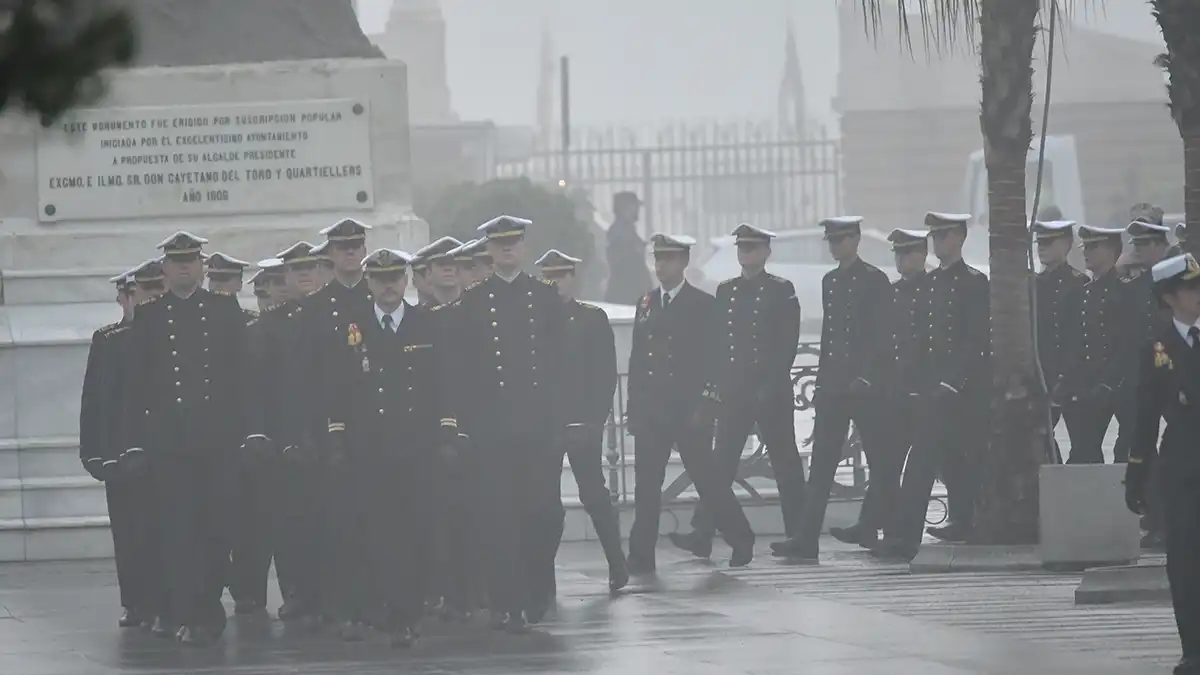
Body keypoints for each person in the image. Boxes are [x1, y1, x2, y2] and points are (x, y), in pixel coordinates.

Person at [119, 232, 256, 646]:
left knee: (217, 529)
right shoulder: (149, 316)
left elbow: (242, 377)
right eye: (176, 260)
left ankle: (209, 607)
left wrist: (247, 430)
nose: (183, 267)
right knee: (178, 531)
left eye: (191, 260)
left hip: (217, 440)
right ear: (164, 268)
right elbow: (137, 384)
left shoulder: (224, 310)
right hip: (170, 441)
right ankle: (187, 610)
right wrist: (135, 441)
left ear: (202, 267)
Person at [440, 215, 570, 633]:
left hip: (538, 426)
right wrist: (464, 424)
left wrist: (562, 418)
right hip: (492, 428)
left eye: (514, 242)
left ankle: (535, 588)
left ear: (524, 248)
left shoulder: (545, 297)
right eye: (499, 244)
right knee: (498, 518)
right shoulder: (475, 301)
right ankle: (505, 600)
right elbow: (461, 369)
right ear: (490, 252)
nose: (507, 249)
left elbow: (560, 363)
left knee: (544, 515)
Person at [323, 248, 458, 646]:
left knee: (415, 529)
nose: (388, 285)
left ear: (406, 281)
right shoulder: (352, 327)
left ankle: (408, 611)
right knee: (371, 530)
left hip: (415, 446)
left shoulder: (425, 325)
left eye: (395, 278)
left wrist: (447, 431)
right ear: (369, 282)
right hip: (368, 446)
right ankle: (375, 607)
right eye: (380, 278)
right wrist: (336, 435)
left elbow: (442, 384)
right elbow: (337, 387)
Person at [667, 224, 805, 559]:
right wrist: (715, 385)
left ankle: (801, 535)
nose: (747, 254)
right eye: (742, 249)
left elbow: (786, 345)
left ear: (766, 252)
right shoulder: (727, 291)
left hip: (769, 390)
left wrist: (769, 386)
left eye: (753, 248)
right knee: (720, 464)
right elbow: (718, 343)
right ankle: (703, 532)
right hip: (735, 390)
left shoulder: (781, 290)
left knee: (785, 463)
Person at [625, 233, 755, 574]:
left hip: (689, 412)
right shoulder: (646, 303)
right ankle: (640, 557)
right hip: (653, 412)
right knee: (646, 488)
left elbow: (716, 360)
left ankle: (741, 538)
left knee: (708, 481)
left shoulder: (702, 305)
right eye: (658, 258)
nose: (661, 265)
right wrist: (634, 409)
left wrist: (708, 404)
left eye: (669, 258)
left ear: (684, 262)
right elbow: (638, 360)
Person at [770, 217, 891, 560]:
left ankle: (884, 529)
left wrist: (867, 376)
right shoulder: (831, 281)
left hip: (864, 388)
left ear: (856, 240)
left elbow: (881, 335)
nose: (835, 247)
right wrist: (823, 382)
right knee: (822, 468)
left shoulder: (875, 280)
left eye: (840, 240)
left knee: (881, 464)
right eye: (831, 242)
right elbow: (830, 338)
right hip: (834, 387)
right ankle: (806, 539)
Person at [871, 213, 989, 561]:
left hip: (960, 389)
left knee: (963, 461)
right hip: (928, 388)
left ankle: (964, 522)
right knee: (923, 465)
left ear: (960, 238)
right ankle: (904, 539)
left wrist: (954, 380)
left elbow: (975, 337)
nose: (938, 242)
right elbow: (920, 337)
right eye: (935, 236)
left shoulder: (974, 282)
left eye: (944, 235)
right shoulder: (930, 283)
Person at [1123, 253, 1200, 675]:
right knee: (1187, 561)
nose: (1199, 297)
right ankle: (1194, 648)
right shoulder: (1157, 345)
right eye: (1191, 290)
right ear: (1170, 298)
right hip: (1184, 467)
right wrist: (1137, 473)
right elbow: (1146, 413)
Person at [535, 249, 629, 593]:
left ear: (573, 278)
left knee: (595, 496)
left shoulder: (591, 318)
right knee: (546, 502)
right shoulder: (533, 322)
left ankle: (617, 563)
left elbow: (604, 377)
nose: (555, 282)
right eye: (549, 276)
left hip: (581, 425)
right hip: (545, 426)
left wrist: (593, 422)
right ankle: (542, 572)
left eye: (561, 275)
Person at [837, 228, 928, 549]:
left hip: (926, 391)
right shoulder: (891, 293)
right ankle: (878, 528)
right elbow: (883, 342)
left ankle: (899, 533)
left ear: (923, 255)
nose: (903, 259)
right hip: (894, 391)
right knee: (886, 465)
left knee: (926, 470)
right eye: (899, 254)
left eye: (909, 253)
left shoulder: (933, 290)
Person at [80, 272, 140, 627]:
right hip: (118, 451)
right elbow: (94, 400)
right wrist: (92, 450)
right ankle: (133, 600)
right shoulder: (107, 339)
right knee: (128, 531)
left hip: (158, 450)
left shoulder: (163, 337)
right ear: (121, 297)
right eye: (130, 293)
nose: (135, 300)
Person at [1054, 225, 1137, 465]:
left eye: (1093, 247)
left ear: (1111, 250)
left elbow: (1128, 344)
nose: (1086, 252)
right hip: (1086, 387)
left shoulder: (1126, 293)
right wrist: (1068, 380)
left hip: (1117, 386)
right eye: (1084, 247)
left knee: (1128, 452)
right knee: (1083, 453)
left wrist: (1110, 382)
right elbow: (1074, 344)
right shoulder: (1081, 294)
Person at [1032, 220, 1088, 462]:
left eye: (1048, 242)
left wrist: (1069, 375)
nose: (1041, 248)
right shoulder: (1033, 285)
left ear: (1066, 245)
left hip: (1074, 377)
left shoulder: (1080, 284)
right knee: (1039, 438)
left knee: (1084, 445)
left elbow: (1082, 336)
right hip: (1042, 375)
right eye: (1039, 243)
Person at [604, 191, 653, 305]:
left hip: (630, 292)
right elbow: (627, 263)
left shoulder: (627, 230)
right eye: (635, 206)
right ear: (627, 208)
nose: (637, 210)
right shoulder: (619, 232)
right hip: (625, 294)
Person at [413, 236, 463, 305]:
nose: (448, 268)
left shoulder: (479, 311)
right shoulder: (418, 315)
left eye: (453, 263)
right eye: (442, 264)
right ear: (428, 273)